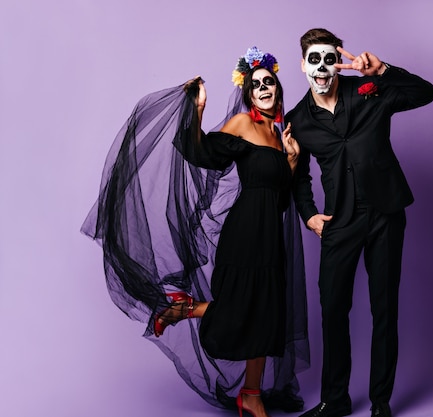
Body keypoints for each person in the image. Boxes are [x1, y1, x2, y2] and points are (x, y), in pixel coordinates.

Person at [81, 47, 309, 417]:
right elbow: (200, 152)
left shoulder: (282, 133)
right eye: (256, 85)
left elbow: (282, 201)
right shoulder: (241, 124)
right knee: (242, 307)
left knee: (267, 313)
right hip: (245, 232)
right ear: (248, 93)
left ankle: (251, 394)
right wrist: (198, 108)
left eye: (269, 82)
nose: (264, 88)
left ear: (278, 88)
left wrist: (293, 163)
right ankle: (182, 310)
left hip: (271, 235)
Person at [284, 29, 433, 417]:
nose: (322, 69)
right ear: (303, 66)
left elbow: (425, 93)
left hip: (386, 214)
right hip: (340, 221)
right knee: (333, 310)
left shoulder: (368, 87)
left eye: (329, 59)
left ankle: (381, 403)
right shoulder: (297, 121)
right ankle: (334, 401)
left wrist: (382, 69)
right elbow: (298, 175)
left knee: (384, 309)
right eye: (313, 60)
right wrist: (308, 214)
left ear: (338, 61)